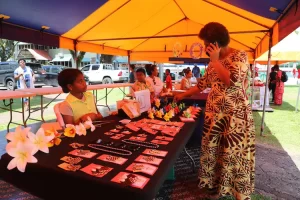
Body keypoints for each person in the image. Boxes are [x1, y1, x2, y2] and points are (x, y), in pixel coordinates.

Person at [175, 22, 255, 200]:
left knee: (231, 153)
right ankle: (215, 187)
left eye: (206, 44)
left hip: (234, 118)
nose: (204, 47)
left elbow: (232, 81)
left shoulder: (239, 56)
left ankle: (236, 191)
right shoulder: (213, 62)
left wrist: (215, 60)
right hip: (214, 116)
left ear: (216, 43)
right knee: (214, 151)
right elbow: (201, 85)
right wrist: (182, 95)